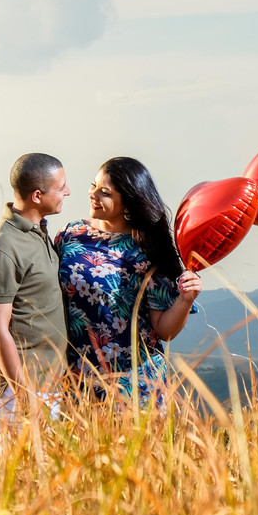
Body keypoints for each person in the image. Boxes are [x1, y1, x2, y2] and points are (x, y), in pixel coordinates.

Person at [54, 157, 201, 408]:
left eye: (105, 192)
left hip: (134, 384)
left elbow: (164, 331)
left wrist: (186, 299)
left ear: (128, 203)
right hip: (78, 378)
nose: (93, 194)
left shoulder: (148, 250)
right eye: (93, 186)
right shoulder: (71, 234)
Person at [0, 153, 72, 425]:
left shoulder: (37, 231)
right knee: (19, 466)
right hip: (16, 386)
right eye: (61, 187)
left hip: (46, 382)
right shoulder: (2, 247)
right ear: (38, 196)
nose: (68, 191)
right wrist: (25, 396)